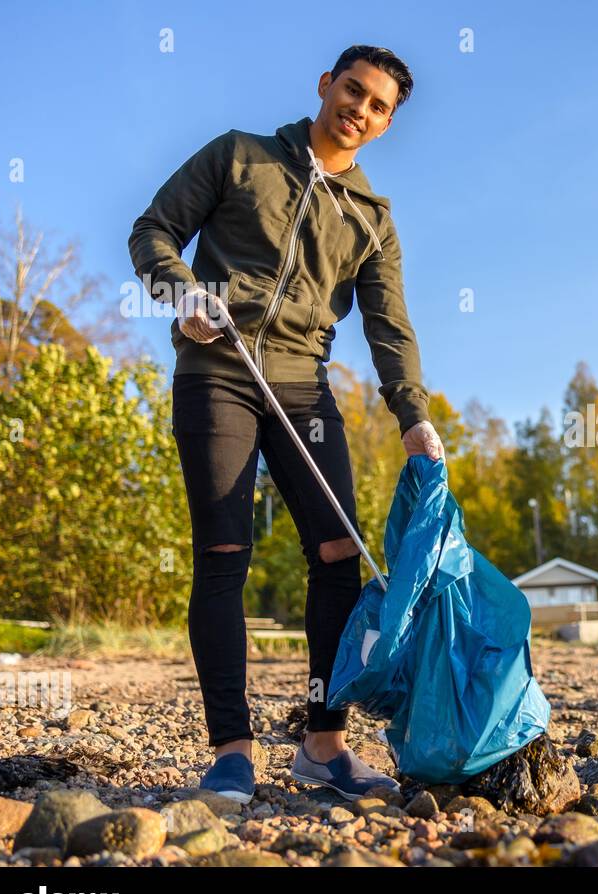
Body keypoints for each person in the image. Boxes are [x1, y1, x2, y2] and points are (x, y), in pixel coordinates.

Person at [129, 45, 445, 804]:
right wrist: (183, 295)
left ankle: (323, 743)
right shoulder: (239, 156)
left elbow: (389, 326)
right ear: (325, 86)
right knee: (224, 554)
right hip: (217, 373)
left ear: (386, 124)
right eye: (353, 90)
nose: (359, 109)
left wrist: (413, 416)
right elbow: (151, 232)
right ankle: (232, 751)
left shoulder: (371, 217)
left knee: (337, 554)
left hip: (304, 389)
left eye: (377, 106)